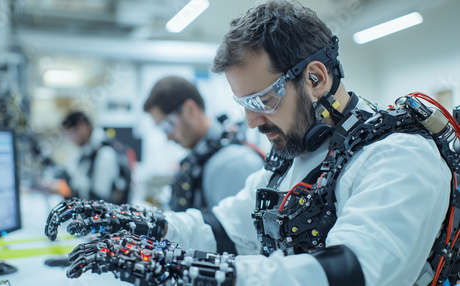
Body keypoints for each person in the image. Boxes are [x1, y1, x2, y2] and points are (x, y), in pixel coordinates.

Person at [45, 1, 457, 285]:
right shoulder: (292, 155)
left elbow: (351, 272)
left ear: (315, 79)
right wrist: (143, 225)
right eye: (243, 103)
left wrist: (192, 272)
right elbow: (225, 228)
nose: (251, 120)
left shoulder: (399, 157)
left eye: (263, 100)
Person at [143, 76, 265, 211]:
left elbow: (244, 230)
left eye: (168, 126)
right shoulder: (199, 163)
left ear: (189, 109)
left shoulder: (233, 163)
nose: (169, 137)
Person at [61, 111, 131, 204]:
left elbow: (100, 198)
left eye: (71, 134)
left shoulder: (105, 153)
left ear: (82, 127)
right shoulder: (88, 151)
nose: (70, 139)